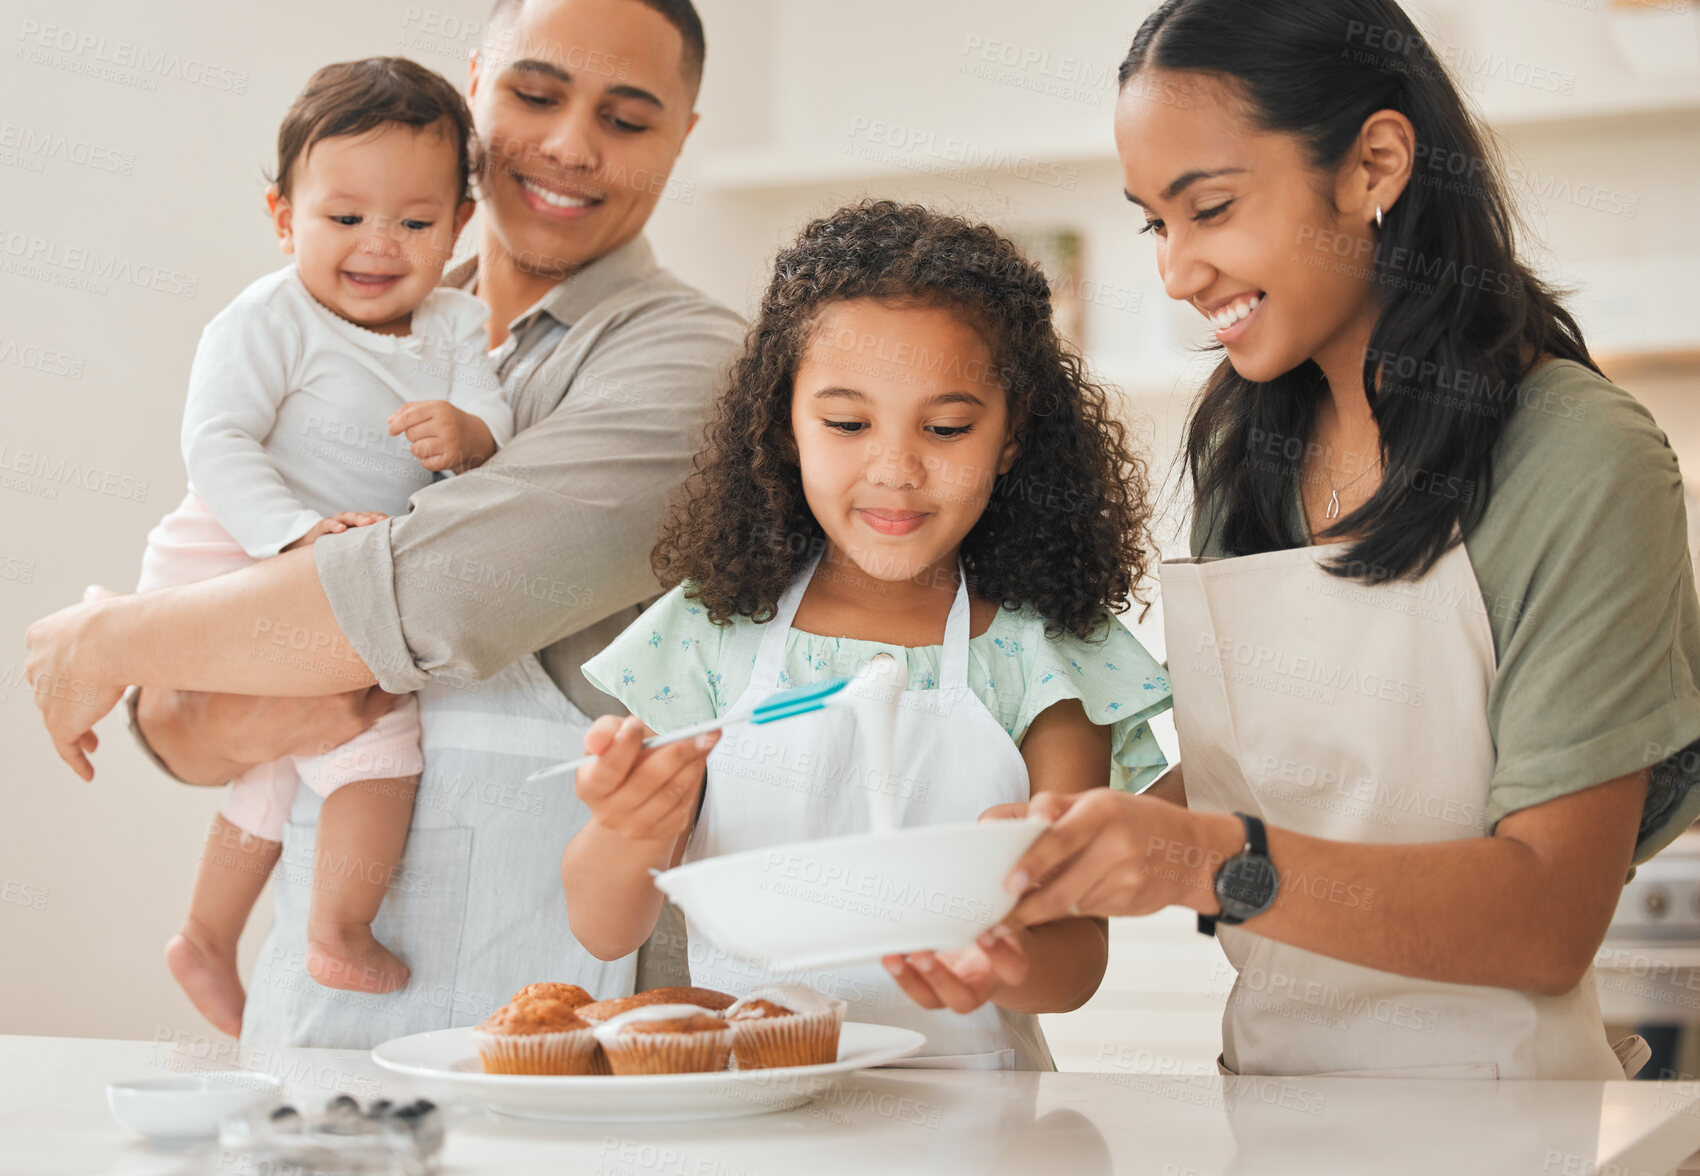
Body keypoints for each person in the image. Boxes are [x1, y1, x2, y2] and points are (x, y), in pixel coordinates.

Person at [990, 0, 1700, 1079]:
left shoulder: (1574, 455)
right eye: (1154, 223)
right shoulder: (1249, 441)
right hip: (1265, 1113)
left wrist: (1195, 860)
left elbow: (1548, 916)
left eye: (1211, 208)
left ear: (1373, 163)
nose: (1177, 272)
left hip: (1504, 1130)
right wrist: (1054, 858)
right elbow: (1289, 775)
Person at [23, 0, 746, 1048]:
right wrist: (201, 702)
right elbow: (184, 726)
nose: (570, 146)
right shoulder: (347, 317)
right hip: (332, 1007)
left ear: (683, 134)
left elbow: (436, 595)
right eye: (535, 96)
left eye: (627, 120)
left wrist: (108, 638)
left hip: (589, 1004)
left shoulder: (691, 365)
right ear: (474, 93)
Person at [559, 201, 1176, 1070]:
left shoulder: (1045, 655)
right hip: (754, 1116)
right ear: (783, 425)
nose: (895, 467)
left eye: (947, 427)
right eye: (848, 424)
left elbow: (1073, 965)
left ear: (1012, 437)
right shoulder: (709, 633)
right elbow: (602, 922)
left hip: (977, 1132)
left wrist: (1000, 953)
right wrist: (625, 826)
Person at [134, 57, 513, 1036]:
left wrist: (468, 437)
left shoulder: (462, 323)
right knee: (379, 742)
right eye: (344, 218)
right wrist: (296, 533)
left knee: (280, 759)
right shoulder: (268, 317)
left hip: (335, 570)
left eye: (415, 223)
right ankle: (338, 929)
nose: (378, 245)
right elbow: (214, 441)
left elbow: (490, 417)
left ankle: (206, 938)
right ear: (281, 215)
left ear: (459, 226)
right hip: (232, 551)